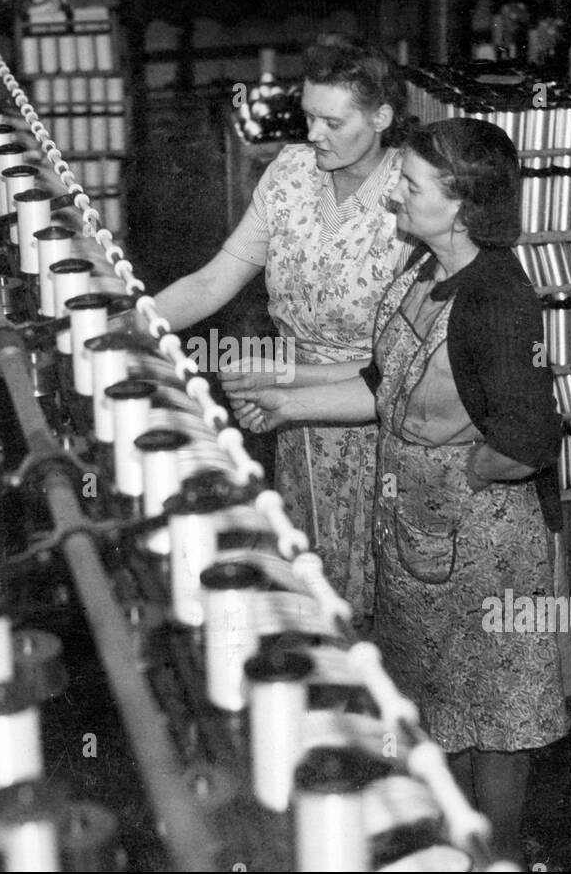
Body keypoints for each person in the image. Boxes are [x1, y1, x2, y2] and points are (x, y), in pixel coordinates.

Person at [229, 118, 570, 863]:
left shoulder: (497, 299)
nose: (396, 201)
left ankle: (503, 855)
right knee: (430, 700)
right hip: (418, 532)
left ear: (461, 203)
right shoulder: (425, 271)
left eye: (412, 188)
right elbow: (387, 387)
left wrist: (459, 475)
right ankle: (442, 844)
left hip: (486, 545)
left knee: (496, 715)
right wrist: (283, 399)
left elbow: (530, 440)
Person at [152, 35, 410, 623]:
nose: (313, 133)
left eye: (331, 121)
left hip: (379, 422)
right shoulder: (291, 173)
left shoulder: (411, 198)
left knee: (381, 599)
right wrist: (126, 322)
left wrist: (285, 379)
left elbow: (397, 364)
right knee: (312, 579)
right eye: (308, 117)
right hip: (294, 417)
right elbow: (213, 283)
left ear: (381, 118)